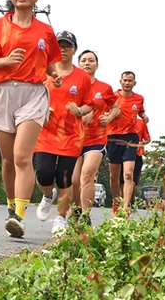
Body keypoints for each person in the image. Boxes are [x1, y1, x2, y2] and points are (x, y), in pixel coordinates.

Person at [0, 0, 63, 238]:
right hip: (3, 92)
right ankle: (11, 208)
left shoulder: (45, 31)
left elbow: (51, 63)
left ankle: (20, 216)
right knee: (7, 160)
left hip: (33, 94)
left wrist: (56, 73)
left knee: (22, 156)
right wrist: (6, 61)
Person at [34, 31, 94, 235]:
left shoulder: (82, 77)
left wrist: (79, 111)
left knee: (65, 178)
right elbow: (33, 96)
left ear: (74, 49)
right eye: (59, 45)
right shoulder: (45, 72)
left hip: (71, 136)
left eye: (67, 46)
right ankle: (47, 195)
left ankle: (60, 218)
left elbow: (89, 105)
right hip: (46, 132)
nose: (63, 49)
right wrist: (43, 108)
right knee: (44, 174)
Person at [70, 50, 119, 223]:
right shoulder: (72, 86)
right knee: (74, 181)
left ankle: (85, 216)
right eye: (83, 60)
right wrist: (81, 118)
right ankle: (75, 212)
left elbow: (115, 107)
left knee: (86, 176)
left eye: (91, 60)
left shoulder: (104, 88)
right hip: (74, 138)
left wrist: (109, 117)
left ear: (97, 65)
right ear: (78, 64)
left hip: (96, 139)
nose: (87, 63)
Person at [107, 71, 149, 216]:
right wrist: (111, 114)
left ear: (134, 83)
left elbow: (140, 111)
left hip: (131, 138)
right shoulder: (112, 97)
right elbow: (102, 112)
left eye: (130, 81)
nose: (127, 83)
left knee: (128, 174)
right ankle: (115, 201)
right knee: (114, 175)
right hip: (113, 137)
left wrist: (144, 116)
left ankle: (125, 207)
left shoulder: (139, 98)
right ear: (120, 82)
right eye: (125, 80)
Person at [119, 117, 151, 201]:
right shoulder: (120, 121)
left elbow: (148, 139)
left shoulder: (141, 123)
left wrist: (140, 144)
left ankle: (130, 200)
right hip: (122, 154)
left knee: (132, 179)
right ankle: (123, 200)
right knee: (122, 180)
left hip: (137, 155)